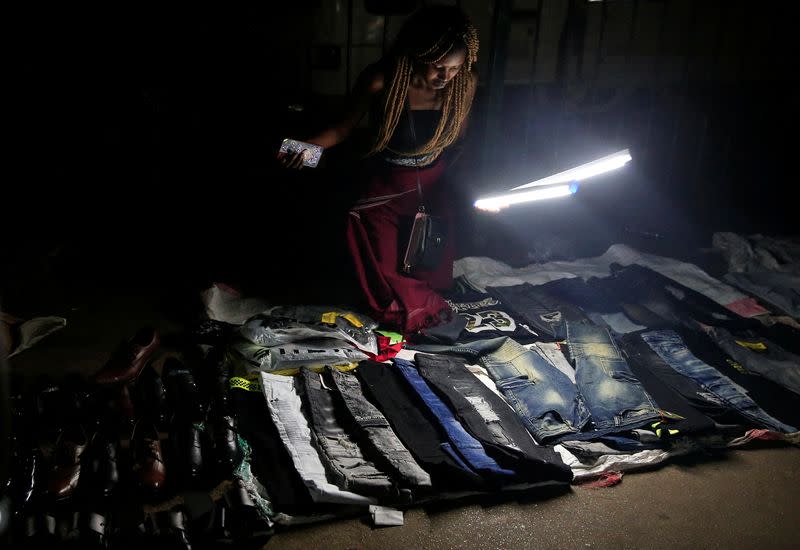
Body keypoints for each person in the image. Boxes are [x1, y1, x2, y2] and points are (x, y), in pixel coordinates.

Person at [280, 5, 479, 336]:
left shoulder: (463, 85)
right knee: (386, 282)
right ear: (418, 53)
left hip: (432, 185)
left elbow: (461, 140)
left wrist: (457, 189)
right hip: (387, 187)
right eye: (438, 67)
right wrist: (304, 148)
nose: (445, 77)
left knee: (427, 267)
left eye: (455, 69)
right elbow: (342, 130)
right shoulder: (382, 81)